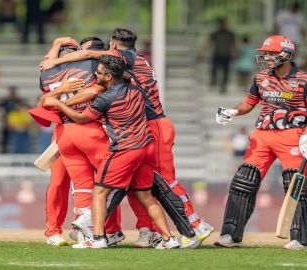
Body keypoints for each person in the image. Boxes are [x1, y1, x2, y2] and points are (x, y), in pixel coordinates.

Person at [40, 28, 214, 249]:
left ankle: (194, 226)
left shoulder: (118, 60)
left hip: (151, 126)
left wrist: (55, 85)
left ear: (112, 46)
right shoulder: (132, 62)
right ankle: (120, 231)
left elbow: (81, 69)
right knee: (139, 184)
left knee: (163, 181)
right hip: (146, 126)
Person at [43, 55, 180, 249]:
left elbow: (81, 118)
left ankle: (98, 238)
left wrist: (59, 104)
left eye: (98, 72)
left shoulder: (105, 98)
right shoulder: (136, 89)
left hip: (125, 149)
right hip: (146, 148)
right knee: (146, 196)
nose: (95, 74)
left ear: (108, 77)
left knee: (99, 193)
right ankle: (168, 239)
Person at [214, 35, 307, 250]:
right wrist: (233, 111)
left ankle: (302, 239)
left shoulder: (305, 79)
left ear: (287, 54)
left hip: (291, 135)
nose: (266, 57)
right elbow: (248, 103)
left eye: (271, 53)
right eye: (265, 53)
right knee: (243, 182)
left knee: (295, 185)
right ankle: (230, 235)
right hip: (262, 135)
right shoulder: (260, 77)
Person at [36, 38, 123, 246]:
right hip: (68, 131)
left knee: (100, 183)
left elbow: (45, 98)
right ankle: (54, 231)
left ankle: (108, 229)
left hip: (82, 129)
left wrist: (56, 47)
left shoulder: (89, 66)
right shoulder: (82, 68)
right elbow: (42, 102)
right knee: (60, 183)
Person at [207, 17, 235, 94]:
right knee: (214, 68)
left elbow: (233, 44)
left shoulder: (230, 34)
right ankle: (214, 80)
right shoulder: (214, 34)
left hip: (226, 55)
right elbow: (209, 43)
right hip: (217, 54)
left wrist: (235, 52)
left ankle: (223, 86)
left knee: (226, 71)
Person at [0, 86, 22, 153]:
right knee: (5, 137)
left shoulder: (18, 101)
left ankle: (18, 150)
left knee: (18, 138)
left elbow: (26, 106)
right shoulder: (5, 101)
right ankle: (3, 150)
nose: (12, 95)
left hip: (16, 123)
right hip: (7, 122)